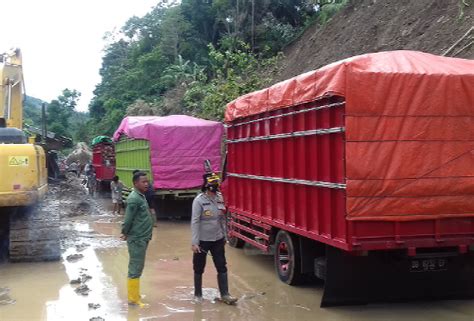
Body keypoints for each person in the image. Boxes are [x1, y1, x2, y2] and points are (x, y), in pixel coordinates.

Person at [191, 173, 238, 305]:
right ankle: (198, 295)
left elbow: (222, 218)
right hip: (203, 241)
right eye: (212, 184)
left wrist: (225, 236)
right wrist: (195, 243)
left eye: (216, 184)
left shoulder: (219, 197)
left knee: (222, 266)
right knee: (199, 268)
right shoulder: (199, 201)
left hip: (218, 238)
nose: (215, 187)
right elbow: (195, 222)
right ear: (206, 186)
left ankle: (225, 294)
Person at [120, 172, 154, 307]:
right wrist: (124, 232)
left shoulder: (141, 196)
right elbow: (128, 219)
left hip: (142, 237)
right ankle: (133, 300)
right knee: (135, 267)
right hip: (137, 238)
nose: (147, 184)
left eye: (147, 181)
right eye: (143, 182)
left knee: (138, 266)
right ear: (135, 183)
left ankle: (135, 295)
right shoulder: (134, 198)